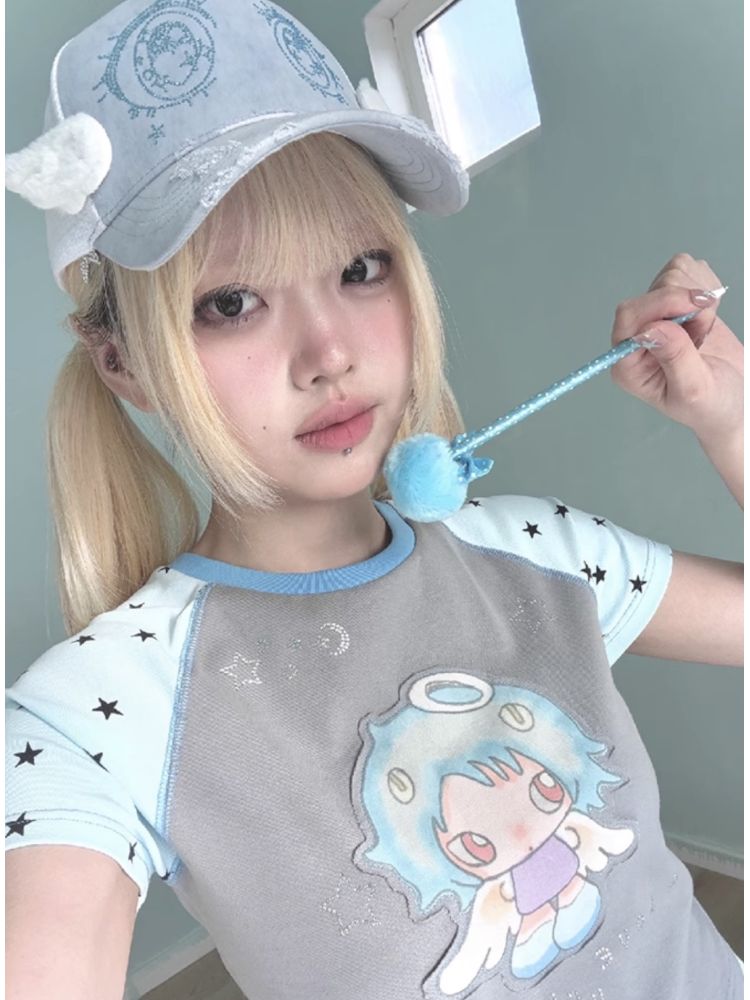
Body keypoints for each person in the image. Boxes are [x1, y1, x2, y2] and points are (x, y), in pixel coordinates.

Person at [5, 0, 743, 998]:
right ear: (122, 361)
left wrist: (732, 424)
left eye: (361, 269)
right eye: (231, 303)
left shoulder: (533, 549)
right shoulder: (102, 711)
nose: (331, 354)